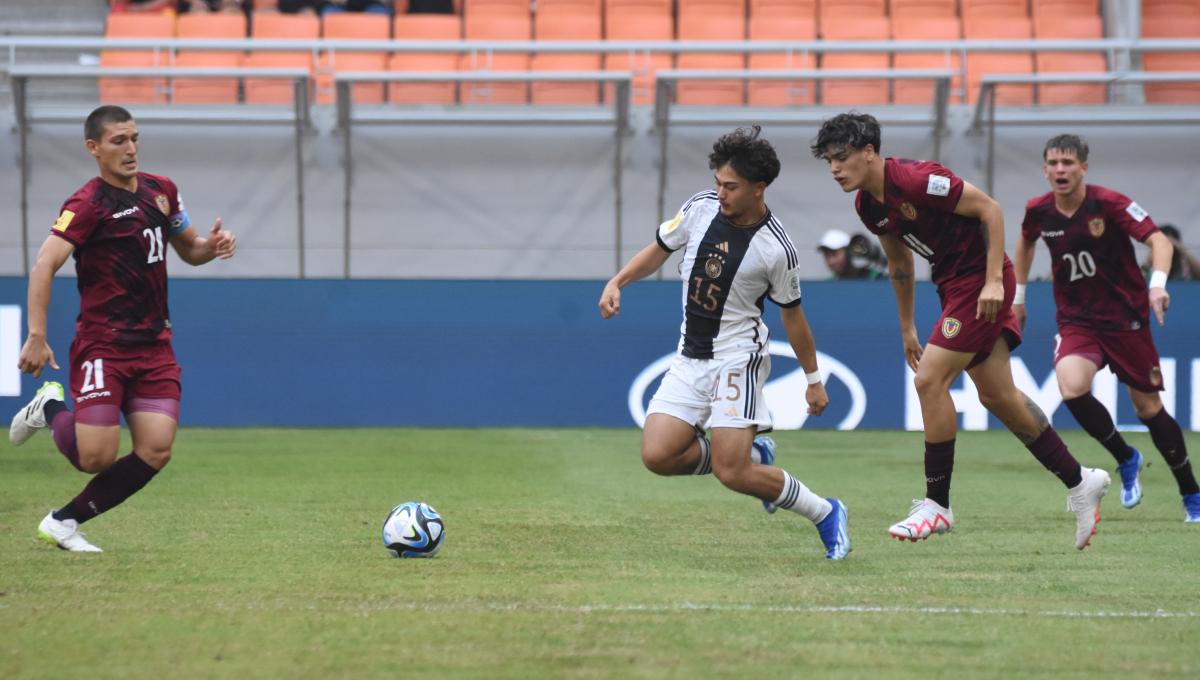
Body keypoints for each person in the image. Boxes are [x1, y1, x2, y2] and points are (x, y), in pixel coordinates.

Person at [811, 112, 1111, 550]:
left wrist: (993, 280)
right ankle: (1080, 481)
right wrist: (907, 326)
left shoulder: (915, 180)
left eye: (841, 158)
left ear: (870, 152)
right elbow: (899, 265)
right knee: (998, 397)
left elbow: (990, 209)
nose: (835, 168)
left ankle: (937, 505)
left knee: (929, 379)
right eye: (828, 161)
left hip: (981, 281)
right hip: (953, 287)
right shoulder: (867, 206)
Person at [599, 126, 851, 560]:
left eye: (731, 186)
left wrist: (813, 379)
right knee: (657, 455)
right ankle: (753, 451)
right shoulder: (699, 209)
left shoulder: (777, 250)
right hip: (689, 356)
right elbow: (660, 248)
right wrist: (618, 280)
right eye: (718, 182)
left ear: (759, 187)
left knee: (731, 473)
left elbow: (794, 316)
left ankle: (826, 512)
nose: (721, 193)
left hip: (738, 358)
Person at [9, 105, 237, 552]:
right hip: (104, 346)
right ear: (94, 149)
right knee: (95, 457)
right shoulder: (86, 205)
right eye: (118, 141)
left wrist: (215, 246)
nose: (130, 149)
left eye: (134, 138)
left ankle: (63, 521)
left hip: (154, 345)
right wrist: (37, 334)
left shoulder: (162, 190)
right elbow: (44, 264)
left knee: (155, 449)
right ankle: (49, 408)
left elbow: (190, 249)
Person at [1014, 134, 1200, 522]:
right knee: (1071, 386)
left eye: (1068, 163)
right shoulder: (1038, 210)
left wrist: (1157, 285)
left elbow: (1158, 240)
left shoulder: (1111, 204)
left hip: (1126, 319)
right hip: (1077, 319)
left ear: (1084, 167)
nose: (1060, 170)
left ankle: (1190, 493)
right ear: (1045, 169)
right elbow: (1025, 243)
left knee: (1148, 408)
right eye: (1053, 163)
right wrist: (1018, 298)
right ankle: (1126, 457)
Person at [817, 228, 887, 280]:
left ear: (849, 252)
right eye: (826, 256)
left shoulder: (875, 278)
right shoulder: (827, 285)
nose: (831, 261)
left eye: (835, 254)